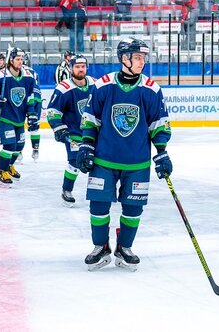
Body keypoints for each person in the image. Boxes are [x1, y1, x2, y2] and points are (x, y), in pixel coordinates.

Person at [78, 38, 170, 271]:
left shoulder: (151, 89)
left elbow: (158, 124)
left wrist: (162, 152)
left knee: (133, 208)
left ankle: (124, 247)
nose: (142, 62)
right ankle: (101, 246)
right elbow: (91, 118)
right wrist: (86, 145)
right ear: (124, 58)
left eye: (143, 58)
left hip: (137, 161)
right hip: (103, 159)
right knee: (98, 205)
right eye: (137, 57)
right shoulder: (103, 85)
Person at [0, 47, 43, 183]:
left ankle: (9, 166)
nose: (20, 62)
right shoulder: (0, 76)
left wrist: (32, 113)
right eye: (17, 59)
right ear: (10, 60)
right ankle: (2, 171)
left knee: (19, 146)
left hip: (19, 118)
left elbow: (30, 97)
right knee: (10, 145)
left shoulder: (28, 77)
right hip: (3, 116)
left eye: (22, 59)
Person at [46, 53, 97, 207]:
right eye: (77, 67)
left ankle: (101, 191)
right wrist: (58, 127)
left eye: (83, 66)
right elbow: (52, 111)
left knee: (100, 161)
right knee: (75, 161)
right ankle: (66, 190)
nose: (80, 70)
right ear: (70, 68)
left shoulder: (96, 84)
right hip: (74, 132)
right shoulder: (63, 88)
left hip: (94, 131)